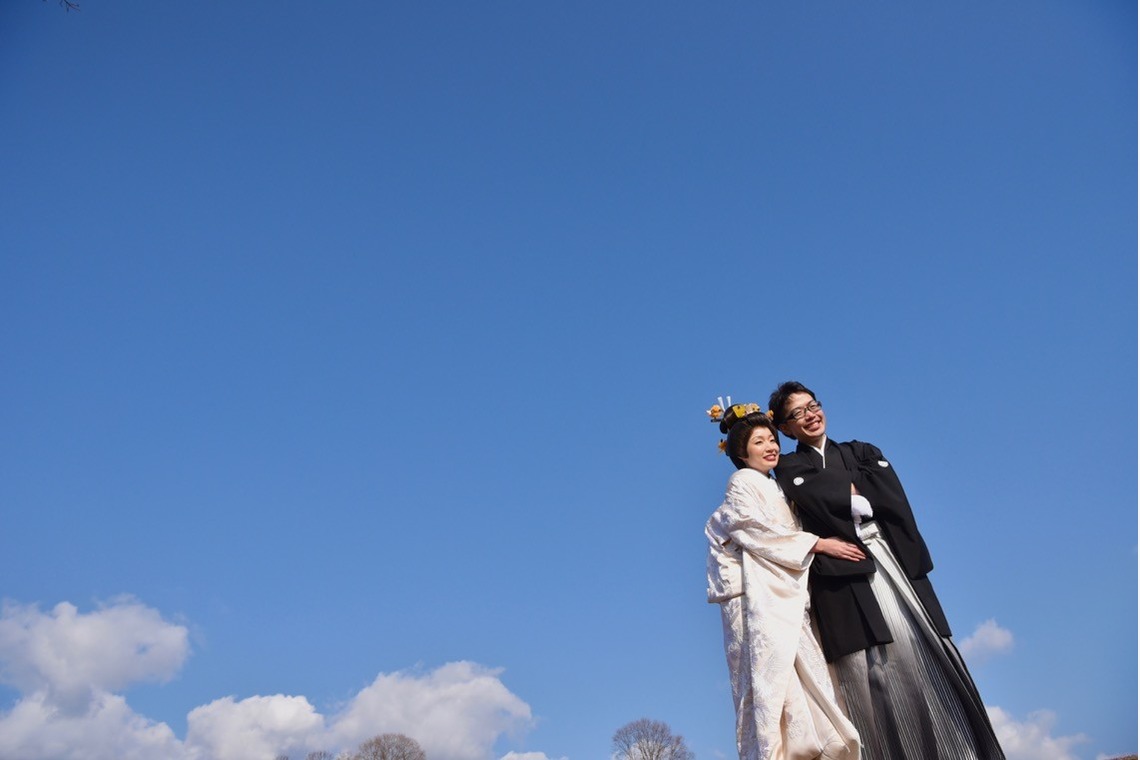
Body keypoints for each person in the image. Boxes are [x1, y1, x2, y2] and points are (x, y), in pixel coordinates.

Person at [767, 381, 1005, 760]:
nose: (811, 415)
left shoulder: (861, 451)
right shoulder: (789, 467)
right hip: (841, 578)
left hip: (885, 555)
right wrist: (849, 492)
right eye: (798, 413)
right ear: (785, 428)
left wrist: (831, 497)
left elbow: (887, 491)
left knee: (919, 647)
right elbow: (820, 492)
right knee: (867, 673)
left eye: (813, 406)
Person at [705, 402, 863, 760]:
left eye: (772, 439)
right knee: (774, 683)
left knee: (805, 682)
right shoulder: (742, 482)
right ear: (742, 453)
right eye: (759, 442)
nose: (770, 447)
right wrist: (817, 543)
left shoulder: (774, 486)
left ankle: (817, 749)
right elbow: (751, 529)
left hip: (783, 590)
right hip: (760, 598)